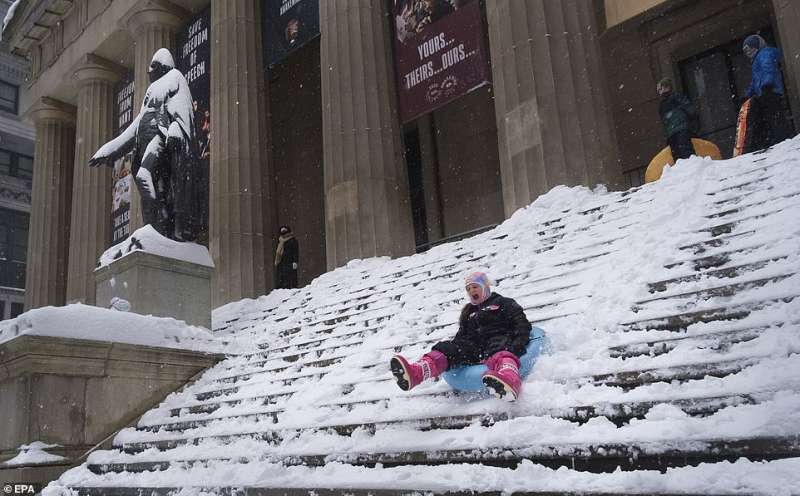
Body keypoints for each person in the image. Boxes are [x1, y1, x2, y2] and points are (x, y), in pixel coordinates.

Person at [390, 271, 532, 401]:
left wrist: (516, 346)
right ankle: (416, 373)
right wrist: (451, 351)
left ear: (485, 287)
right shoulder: (469, 312)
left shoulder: (503, 302)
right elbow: (461, 336)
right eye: (468, 289)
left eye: (475, 287)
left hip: (498, 338)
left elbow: (521, 324)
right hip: (474, 347)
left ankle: (510, 380)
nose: (471, 291)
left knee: (499, 348)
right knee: (449, 347)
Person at [742, 34, 792, 153]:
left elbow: (768, 68)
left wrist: (767, 84)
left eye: (749, 49)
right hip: (763, 95)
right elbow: (755, 81)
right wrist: (748, 94)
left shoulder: (764, 54)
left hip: (770, 92)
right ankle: (771, 141)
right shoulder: (756, 60)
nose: (748, 53)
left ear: (756, 46)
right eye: (745, 51)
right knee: (767, 118)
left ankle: (783, 139)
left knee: (775, 117)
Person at [657, 77, 697, 161]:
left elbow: (690, 110)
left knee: (682, 153)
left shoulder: (675, 97)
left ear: (667, 87)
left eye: (660, 88)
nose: (659, 92)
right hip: (674, 132)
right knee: (681, 154)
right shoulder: (664, 104)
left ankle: (690, 167)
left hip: (679, 130)